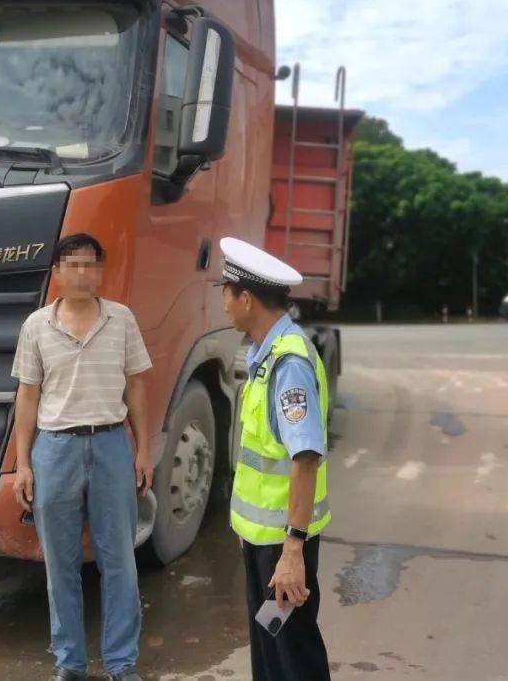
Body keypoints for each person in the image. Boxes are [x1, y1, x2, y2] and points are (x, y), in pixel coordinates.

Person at [11, 233, 154, 681]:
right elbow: (27, 397)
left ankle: (121, 664)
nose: (81, 274)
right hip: (55, 451)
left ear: (101, 270)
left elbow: (136, 386)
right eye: (72, 265)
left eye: (90, 265)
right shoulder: (36, 326)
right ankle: (70, 664)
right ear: (56, 272)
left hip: (112, 445)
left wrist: (143, 449)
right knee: (62, 566)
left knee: (120, 563)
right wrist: (23, 464)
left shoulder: (122, 319)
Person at [218, 237, 332, 681]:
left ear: (246, 298)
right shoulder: (265, 353)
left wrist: (292, 549)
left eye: (226, 295)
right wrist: (248, 529)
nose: (224, 306)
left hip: (283, 546)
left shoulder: (289, 364)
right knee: (270, 638)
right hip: (263, 539)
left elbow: (305, 459)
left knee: (293, 652)